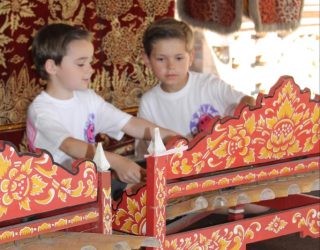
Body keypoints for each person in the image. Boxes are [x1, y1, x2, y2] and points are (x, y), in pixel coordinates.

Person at [27, 23, 176, 189]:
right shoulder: (41, 111)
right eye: (81, 64)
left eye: (90, 62)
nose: (90, 70)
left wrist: (172, 137)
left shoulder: (88, 98)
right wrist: (117, 161)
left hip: (87, 184)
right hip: (54, 192)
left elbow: (130, 124)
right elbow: (69, 145)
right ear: (52, 67)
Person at [135, 18, 255, 159]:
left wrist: (233, 126)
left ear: (191, 57)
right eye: (161, 59)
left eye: (179, 58)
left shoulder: (210, 85)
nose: (171, 66)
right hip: (179, 171)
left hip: (223, 161)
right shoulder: (149, 103)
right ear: (147, 60)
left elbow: (249, 101)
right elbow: (146, 152)